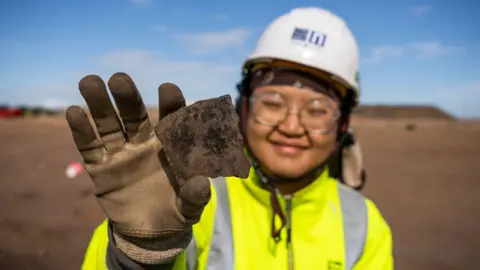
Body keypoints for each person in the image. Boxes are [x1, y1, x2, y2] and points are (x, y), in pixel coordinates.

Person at [69, 6, 393, 270]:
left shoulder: (364, 226)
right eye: (273, 103)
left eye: (318, 109)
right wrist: (138, 256)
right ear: (244, 106)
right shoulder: (189, 201)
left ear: (344, 123)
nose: (292, 127)